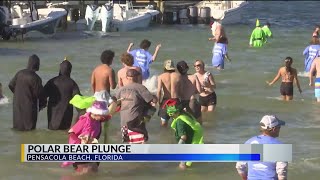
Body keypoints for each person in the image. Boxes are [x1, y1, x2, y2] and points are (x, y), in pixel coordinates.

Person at [61, 101, 112, 174]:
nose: (103, 117)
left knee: (93, 171)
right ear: (95, 113)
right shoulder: (84, 121)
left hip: (92, 149)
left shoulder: (97, 120)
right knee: (83, 172)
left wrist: (115, 103)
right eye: (102, 115)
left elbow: (109, 114)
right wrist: (82, 139)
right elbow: (71, 132)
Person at [236, 115, 288, 180]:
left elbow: (239, 167)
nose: (279, 129)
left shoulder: (249, 142)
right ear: (274, 129)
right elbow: (282, 172)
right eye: (279, 127)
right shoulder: (280, 146)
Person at [116, 69, 157, 144]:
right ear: (137, 77)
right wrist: (155, 96)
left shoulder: (120, 90)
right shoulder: (140, 88)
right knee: (142, 146)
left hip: (123, 124)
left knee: (129, 147)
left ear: (127, 78)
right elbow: (153, 101)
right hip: (135, 122)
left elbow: (116, 105)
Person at [163, 98, 204, 170]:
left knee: (182, 166)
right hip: (193, 140)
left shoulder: (179, 122)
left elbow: (183, 137)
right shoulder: (186, 114)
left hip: (187, 145)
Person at [8, 54, 46, 131]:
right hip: (29, 108)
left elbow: (11, 85)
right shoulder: (36, 78)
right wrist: (43, 104)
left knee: (17, 128)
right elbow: (40, 94)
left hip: (17, 105)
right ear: (37, 65)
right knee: (29, 130)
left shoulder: (19, 73)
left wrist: (18, 95)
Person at [43, 60, 80, 130]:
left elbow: (43, 95)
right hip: (66, 114)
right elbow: (78, 99)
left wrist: (41, 105)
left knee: (52, 132)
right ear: (70, 70)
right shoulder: (72, 83)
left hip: (52, 115)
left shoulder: (52, 81)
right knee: (63, 134)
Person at [157, 59, 176, 126]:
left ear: (165, 67)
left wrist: (158, 101)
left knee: (164, 123)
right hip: (175, 100)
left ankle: (164, 135)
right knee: (176, 122)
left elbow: (159, 90)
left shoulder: (161, 76)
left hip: (166, 101)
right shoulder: (178, 76)